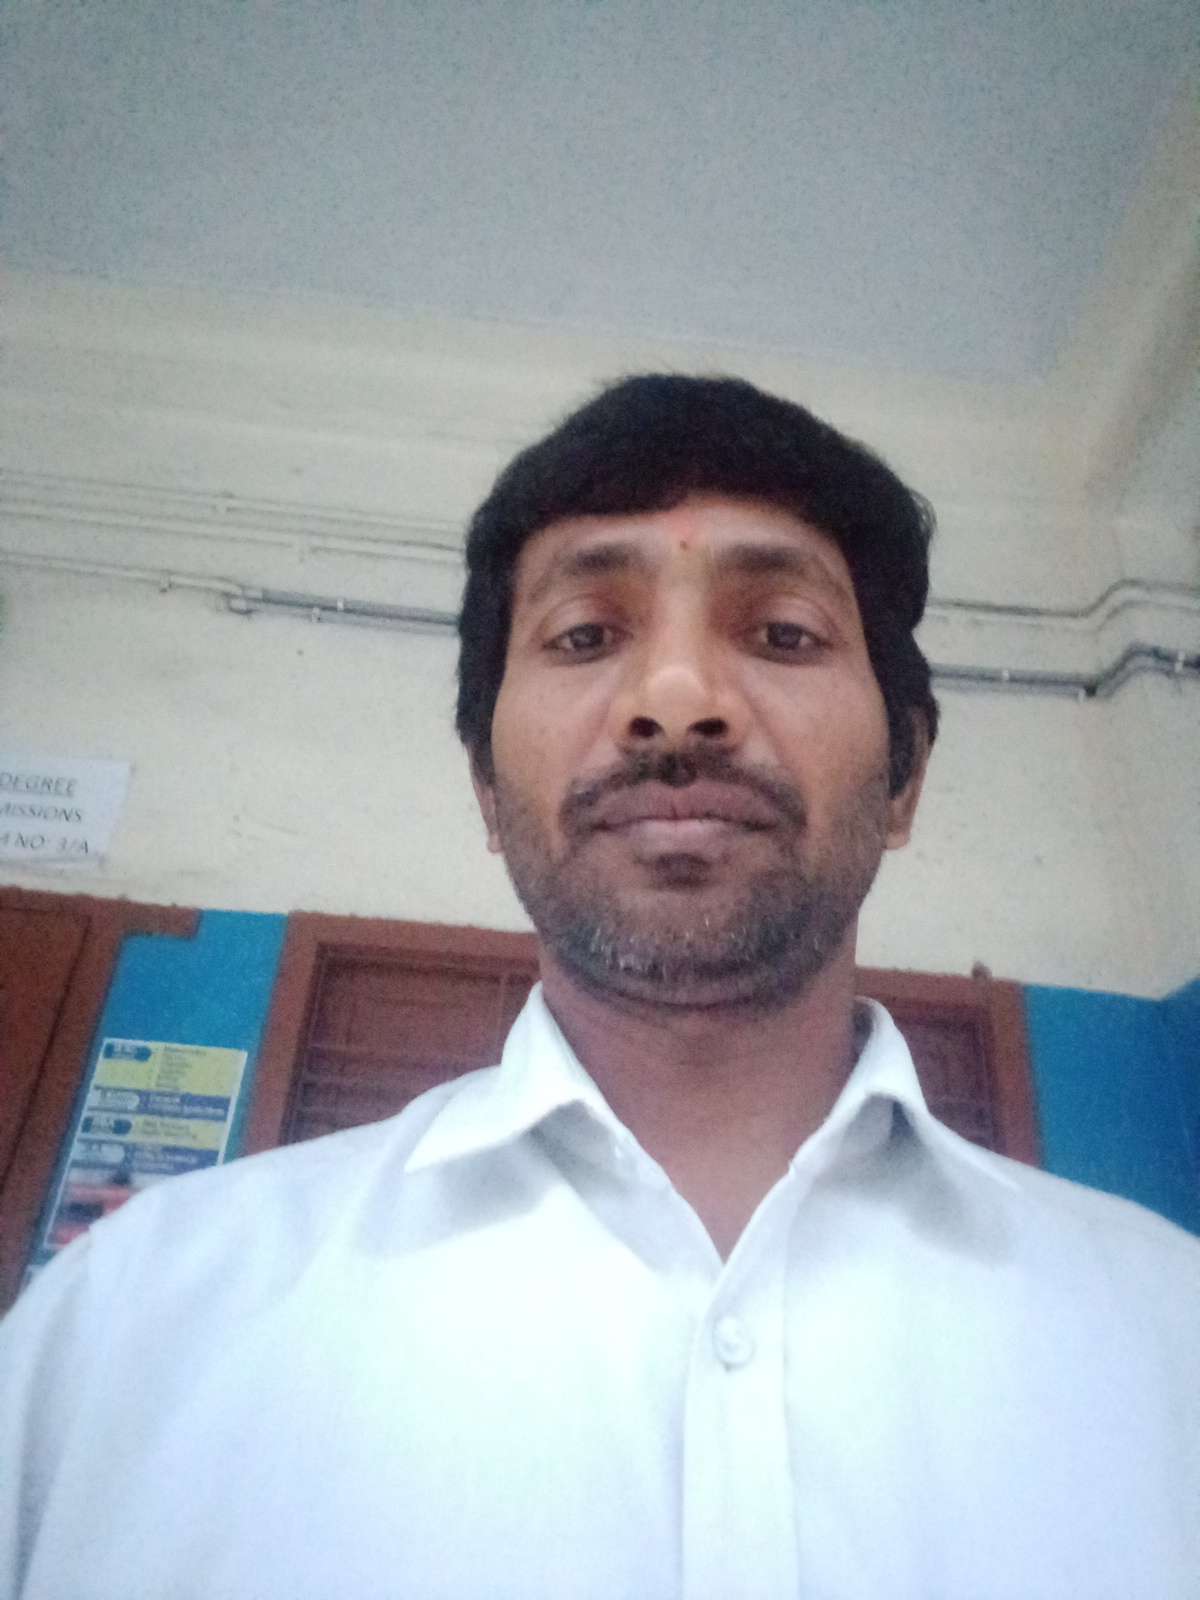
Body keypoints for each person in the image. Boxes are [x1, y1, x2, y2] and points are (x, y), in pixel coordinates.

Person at [1, 375, 1197, 1600]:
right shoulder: (125, 1329)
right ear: (486, 789)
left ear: (905, 780)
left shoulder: (1171, 1335)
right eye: (583, 636)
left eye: (784, 634)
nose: (677, 701)